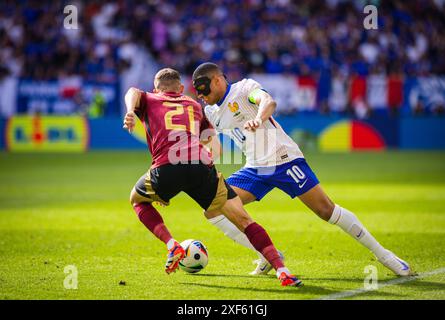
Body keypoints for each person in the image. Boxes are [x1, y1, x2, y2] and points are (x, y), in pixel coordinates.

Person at [192, 62, 414, 277]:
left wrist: (259, 119)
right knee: (213, 207)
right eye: (198, 92)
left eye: (204, 89)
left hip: (283, 159)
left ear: (218, 80)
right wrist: (201, 154)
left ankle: (384, 255)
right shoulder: (211, 112)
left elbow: (268, 101)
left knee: (326, 210)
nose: (201, 95)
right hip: (255, 168)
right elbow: (216, 148)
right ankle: (268, 255)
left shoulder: (244, 89)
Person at [122, 67, 302, 287]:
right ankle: (282, 271)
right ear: (181, 88)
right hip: (200, 165)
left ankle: (172, 246)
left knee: (137, 199)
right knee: (244, 220)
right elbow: (215, 148)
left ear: (155, 88)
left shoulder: (149, 98)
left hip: (167, 166)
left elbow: (132, 91)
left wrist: (131, 111)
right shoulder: (194, 105)